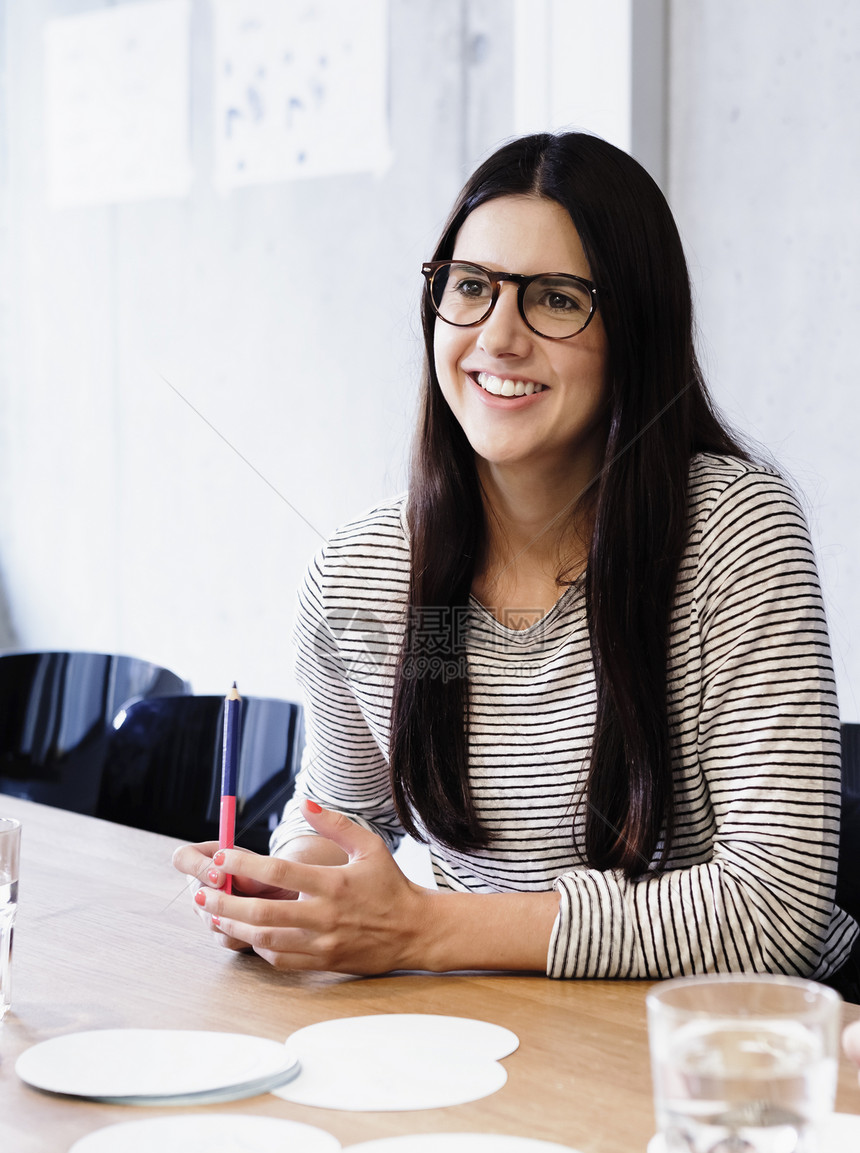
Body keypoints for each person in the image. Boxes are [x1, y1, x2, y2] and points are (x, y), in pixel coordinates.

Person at [173, 131, 858, 994]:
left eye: (557, 300)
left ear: (635, 330)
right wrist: (301, 891)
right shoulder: (371, 574)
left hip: (731, 1041)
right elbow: (340, 815)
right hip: (508, 1029)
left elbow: (776, 911)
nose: (497, 337)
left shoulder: (731, 534)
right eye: (471, 288)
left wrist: (423, 926)